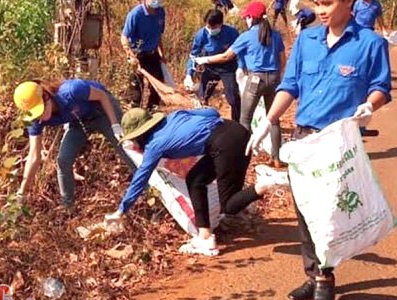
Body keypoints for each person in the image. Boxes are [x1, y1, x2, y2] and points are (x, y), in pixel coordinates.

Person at [247, 0, 392, 300]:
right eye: (317, 3)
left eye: (327, 3)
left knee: (330, 211)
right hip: (304, 139)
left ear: (349, 1)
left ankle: (325, 274)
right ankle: (314, 274)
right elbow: (290, 85)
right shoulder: (307, 41)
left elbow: (381, 87)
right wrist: (268, 121)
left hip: (339, 141)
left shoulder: (370, 44)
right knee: (305, 210)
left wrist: (369, 106)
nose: (321, 10)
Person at [104, 108, 286, 256]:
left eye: (134, 138)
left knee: (229, 206)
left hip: (224, 146)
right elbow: (212, 112)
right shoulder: (174, 116)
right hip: (235, 131)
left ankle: (265, 183)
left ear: (140, 135)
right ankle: (205, 237)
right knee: (195, 179)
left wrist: (121, 210)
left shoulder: (154, 145)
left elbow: (140, 179)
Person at [13, 79, 135, 208]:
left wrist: (115, 125)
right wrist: (21, 192)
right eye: (35, 115)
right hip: (78, 121)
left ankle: (147, 187)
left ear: (46, 96)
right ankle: (67, 206)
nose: (40, 117)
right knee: (63, 160)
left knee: (127, 149)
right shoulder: (36, 121)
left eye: (40, 111)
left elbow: (102, 97)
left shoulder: (72, 90)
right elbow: (34, 156)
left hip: (103, 111)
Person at [197, 1, 285, 167]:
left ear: (252, 18)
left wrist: (205, 59)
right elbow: (282, 60)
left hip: (255, 80)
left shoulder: (246, 36)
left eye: (247, 17)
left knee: (245, 120)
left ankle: (243, 158)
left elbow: (226, 56)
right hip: (274, 79)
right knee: (273, 119)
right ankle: (277, 158)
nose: (246, 20)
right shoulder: (276, 35)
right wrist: (276, 77)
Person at [184, 9, 242, 121]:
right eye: (208, 27)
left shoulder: (232, 33)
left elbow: (240, 52)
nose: (210, 30)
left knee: (233, 98)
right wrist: (189, 74)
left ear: (220, 24)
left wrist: (241, 68)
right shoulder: (201, 34)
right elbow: (193, 55)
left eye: (213, 27)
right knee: (202, 96)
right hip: (210, 68)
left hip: (228, 68)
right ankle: (201, 120)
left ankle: (237, 122)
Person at [122, 0, 167, 110]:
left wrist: (162, 54)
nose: (157, 1)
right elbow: (124, 37)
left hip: (153, 55)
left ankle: (152, 111)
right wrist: (130, 56)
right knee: (137, 89)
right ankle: (136, 113)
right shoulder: (136, 14)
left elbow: (158, 35)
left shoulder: (160, 12)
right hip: (138, 55)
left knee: (157, 86)